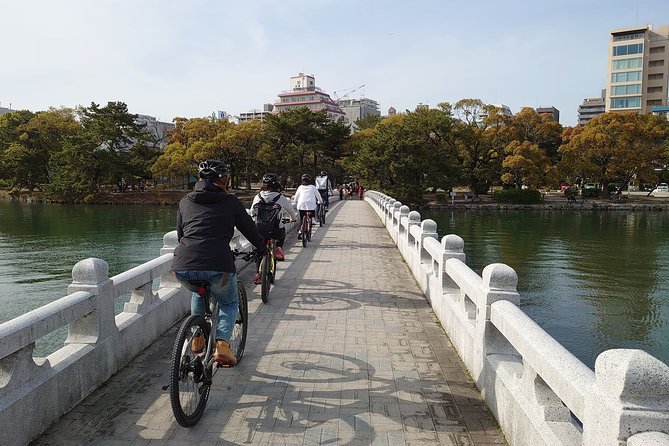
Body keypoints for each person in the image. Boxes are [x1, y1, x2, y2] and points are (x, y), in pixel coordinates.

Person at [172, 159, 267, 366]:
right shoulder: (230, 202)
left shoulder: (185, 201)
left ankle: (197, 336)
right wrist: (262, 249)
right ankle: (222, 344)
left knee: (199, 291)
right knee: (228, 302)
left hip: (183, 265)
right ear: (224, 179)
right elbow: (250, 230)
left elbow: (181, 235)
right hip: (218, 264)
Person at [250, 173, 298, 284]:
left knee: (260, 251)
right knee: (282, 231)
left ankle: (258, 273)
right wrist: (294, 219)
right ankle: (278, 248)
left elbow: (252, 212)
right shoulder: (280, 197)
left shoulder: (258, 196)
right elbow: (291, 211)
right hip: (276, 231)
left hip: (260, 230)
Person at [292, 173, 323, 239]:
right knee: (312, 212)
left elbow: (296, 197)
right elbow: (318, 196)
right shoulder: (313, 187)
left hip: (301, 205)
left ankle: (300, 231)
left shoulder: (300, 187)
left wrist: (295, 202)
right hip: (311, 204)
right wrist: (320, 201)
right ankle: (313, 219)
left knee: (301, 219)